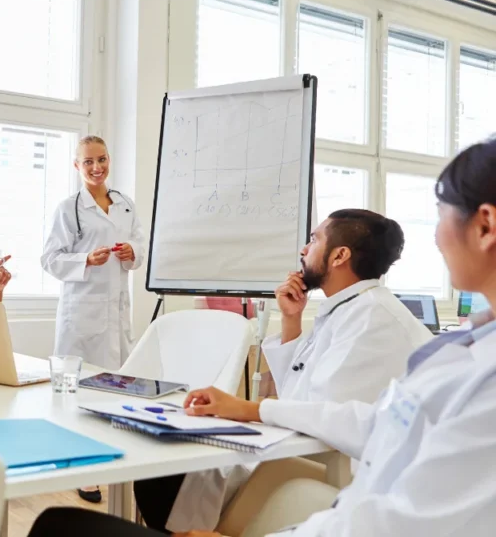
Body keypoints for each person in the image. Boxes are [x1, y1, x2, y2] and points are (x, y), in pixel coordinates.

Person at [172, 140, 496, 536]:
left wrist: (252, 408)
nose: (436, 237)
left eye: (441, 215)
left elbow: (404, 518)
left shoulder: (373, 317)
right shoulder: (353, 309)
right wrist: (286, 334)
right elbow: (367, 419)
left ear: (484, 226)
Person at [133, 209, 434, 532]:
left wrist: (245, 408)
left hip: (339, 468)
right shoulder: (348, 308)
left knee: (167, 478)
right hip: (302, 448)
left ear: (340, 255)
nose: (304, 249)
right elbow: (300, 392)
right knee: (163, 471)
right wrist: (291, 319)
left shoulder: (372, 319)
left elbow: (325, 417)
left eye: (314, 239)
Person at [41, 135, 147, 504]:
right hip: (81, 313)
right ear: (76, 166)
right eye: (88, 162)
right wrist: (87, 259)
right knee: (79, 391)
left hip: (117, 309)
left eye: (101, 159)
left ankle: (111, 461)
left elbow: (140, 247)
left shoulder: (125, 205)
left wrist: (133, 251)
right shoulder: (68, 209)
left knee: (115, 389)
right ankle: (83, 470)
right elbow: (50, 260)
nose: (96, 167)